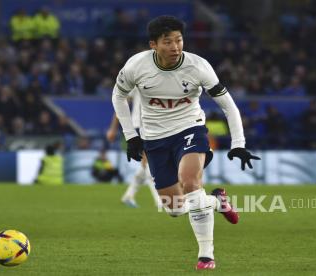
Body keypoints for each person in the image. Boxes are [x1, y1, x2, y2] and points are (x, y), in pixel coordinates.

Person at [111, 15, 260, 270]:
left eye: (179, 40)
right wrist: (131, 136)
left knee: (190, 182)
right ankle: (217, 202)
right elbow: (118, 96)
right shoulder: (136, 66)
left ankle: (206, 255)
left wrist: (238, 143)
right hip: (155, 138)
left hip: (190, 129)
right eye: (167, 42)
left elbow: (228, 105)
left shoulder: (198, 67)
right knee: (175, 209)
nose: (175, 47)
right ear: (153, 45)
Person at [106, 88, 161, 208]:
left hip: (158, 127)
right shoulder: (136, 79)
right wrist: (113, 128)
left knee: (146, 164)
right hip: (140, 125)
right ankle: (160, 201)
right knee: (150, 163)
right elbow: (122, 102)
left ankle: (129, 196)